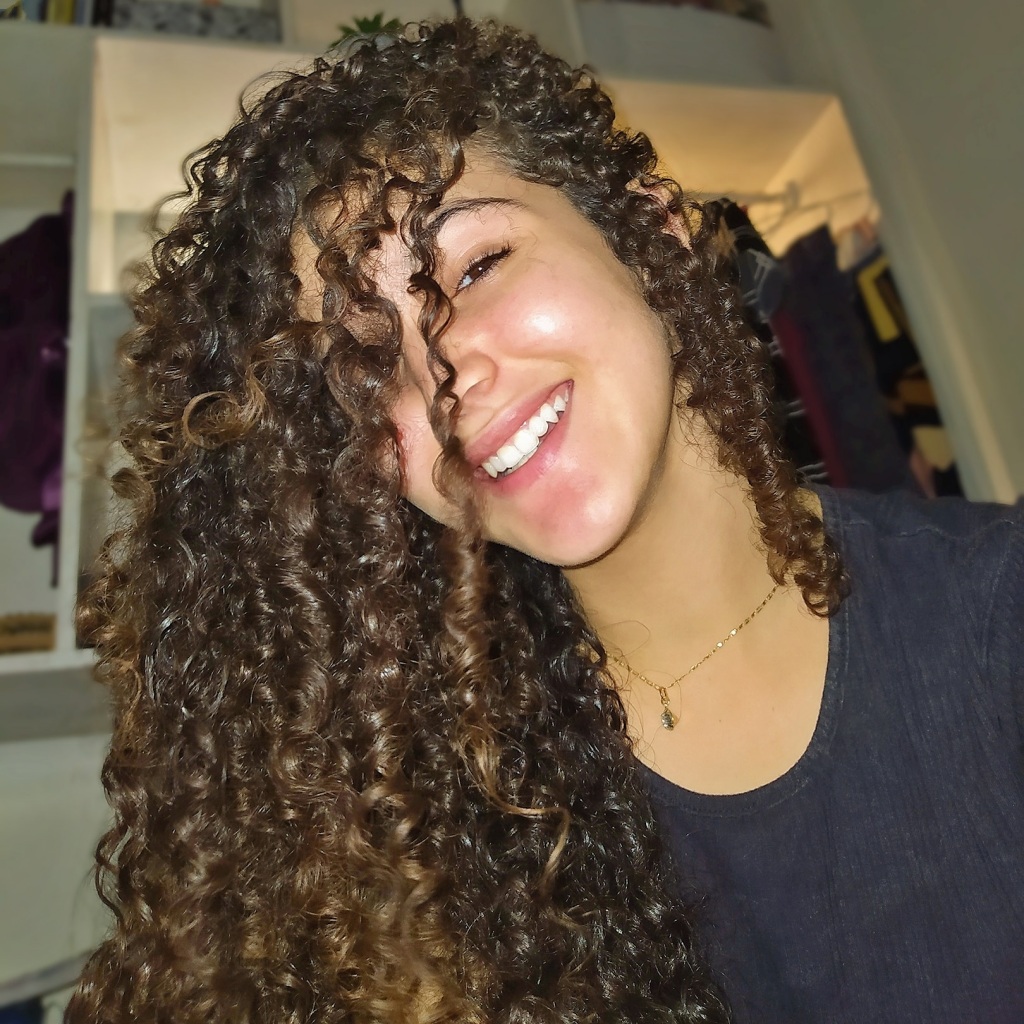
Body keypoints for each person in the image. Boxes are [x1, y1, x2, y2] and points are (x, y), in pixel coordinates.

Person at [67, 17, 1023, 1024]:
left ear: (650, 229)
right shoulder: (434, 821)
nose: (444, 379)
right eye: (368, 366)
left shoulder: (993, 620)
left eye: (476, 267)